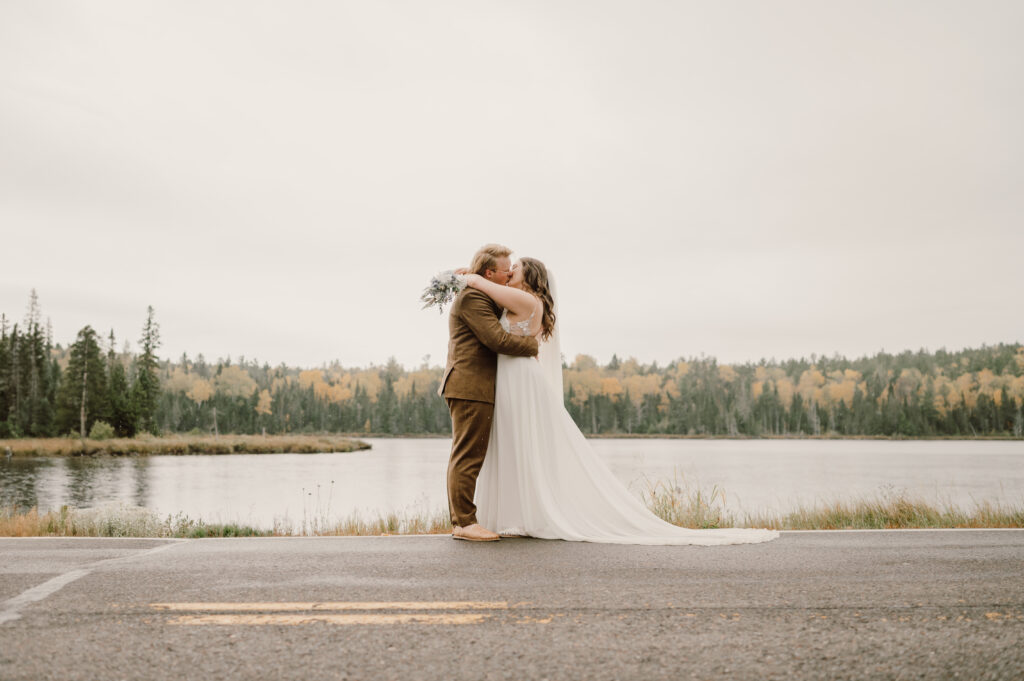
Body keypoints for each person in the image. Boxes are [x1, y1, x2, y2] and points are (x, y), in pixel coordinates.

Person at [463, 257, 779, 546]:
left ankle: (528, 513)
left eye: (514, 268)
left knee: (519, 442)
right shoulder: (525, 300)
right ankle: (521, 513)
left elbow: (479, 284)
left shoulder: (524, 298)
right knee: (515, 444)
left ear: (529, 277)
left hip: (517, 378)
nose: (509, 272)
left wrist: (463, 275)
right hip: (513, 376)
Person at [439, 244, 539, 541]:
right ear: (489, 272)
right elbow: (497, 340)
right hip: (470, 385)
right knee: (467, 455)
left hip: (476, 385)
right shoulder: (472, 298)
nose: (510, 274)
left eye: (512, 269)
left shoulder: (482, 293)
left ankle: (464, 521)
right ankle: (464, 523)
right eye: (505, 270)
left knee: (471, 453)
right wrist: (533, 346)